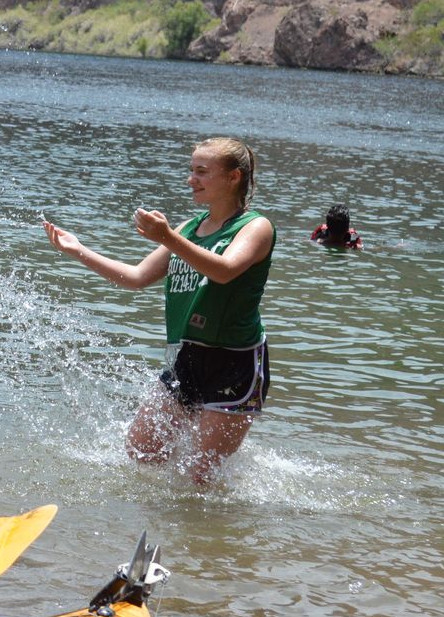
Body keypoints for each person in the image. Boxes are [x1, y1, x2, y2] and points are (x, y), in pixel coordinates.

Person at [43, 137, 273, 484]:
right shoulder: (190, 228)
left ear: (233, 177)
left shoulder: (255, 227)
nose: (191, 179)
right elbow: (136, 278)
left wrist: (168, 237)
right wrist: (78, 250)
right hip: (188, 357)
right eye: (191, 170)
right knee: (142, 454)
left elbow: (225, 270)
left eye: (201, 172)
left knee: (200, 478)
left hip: (234, 364)